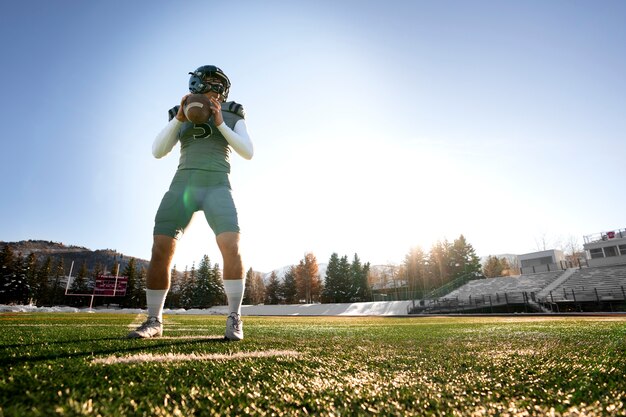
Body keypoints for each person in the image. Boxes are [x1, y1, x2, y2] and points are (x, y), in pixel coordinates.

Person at [127, 65, 253, 341]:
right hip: (183, 184)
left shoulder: (233, 111)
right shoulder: (178, 110)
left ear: (219, 87)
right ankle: (154, 320)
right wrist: (179, 119)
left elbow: (248, 151)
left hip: (217, 183)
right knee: (161, 247)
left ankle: (234, 317)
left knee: (231, 245)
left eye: (209, 81)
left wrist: (220, 122)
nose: (203, 85)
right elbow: (158, 151)